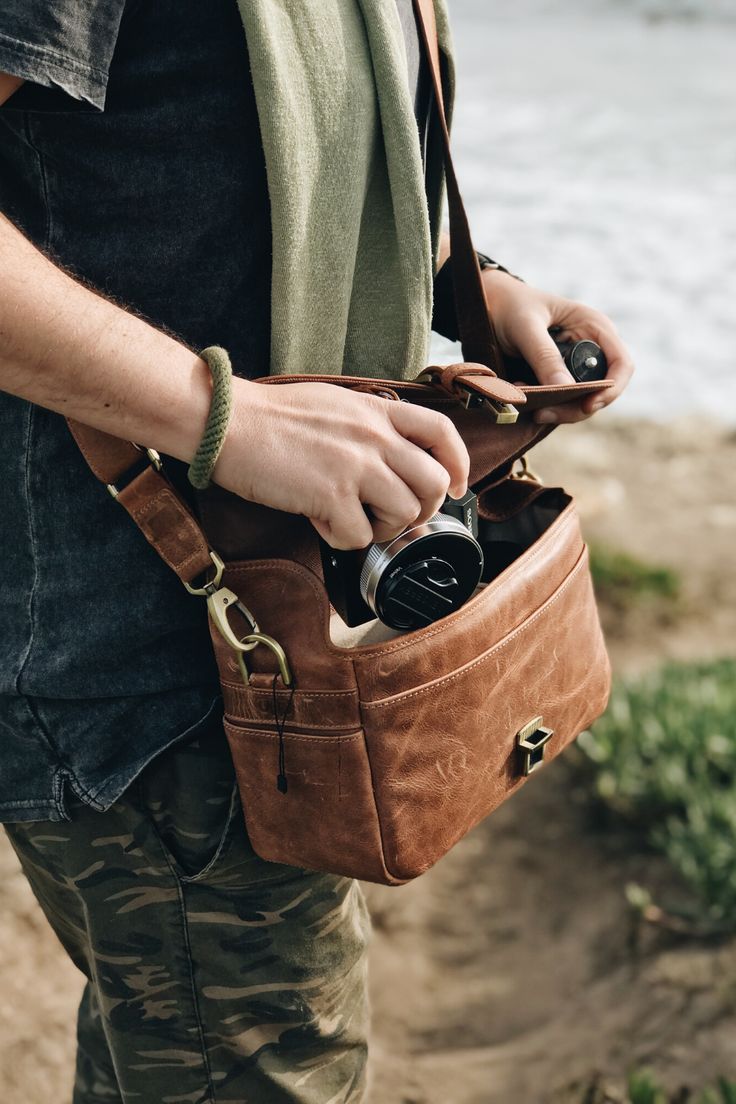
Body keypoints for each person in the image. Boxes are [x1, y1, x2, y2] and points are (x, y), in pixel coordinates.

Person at [0, 1, 634, 1101]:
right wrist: (224, 417)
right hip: (150, 657)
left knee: (174, 1051)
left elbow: (248, 134)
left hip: (268, 632)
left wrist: (464, 279)